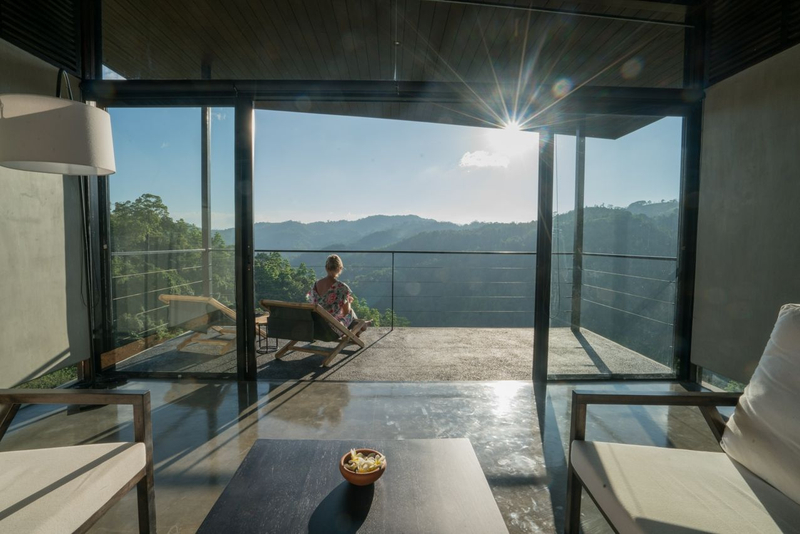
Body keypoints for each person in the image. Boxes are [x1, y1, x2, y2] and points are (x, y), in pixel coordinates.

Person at [310, 254, 369, 334]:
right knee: (350, 312)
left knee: (344, 315)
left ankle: (361, 326)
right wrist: (348, 302)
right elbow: (346, 312)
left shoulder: (315, 285)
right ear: (340, 268)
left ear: (326, 268)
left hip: (316, 327)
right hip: (332, 330)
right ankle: (360, 326)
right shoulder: (342, 288)